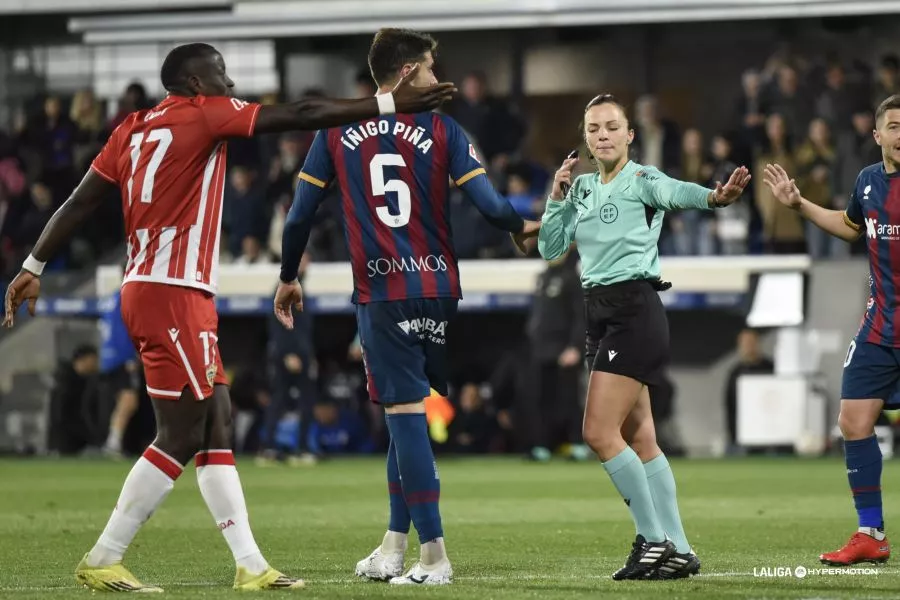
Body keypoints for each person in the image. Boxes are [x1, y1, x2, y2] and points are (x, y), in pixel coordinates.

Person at [2, 42, 455, 593]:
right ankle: (105, 554)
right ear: (195, 85)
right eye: (221, 74)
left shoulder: (131, 129)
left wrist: (33, 263)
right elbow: (304, 114)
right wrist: (387, 104)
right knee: (182, 431)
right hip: (171, 292)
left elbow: (80, 200)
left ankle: (251, 566)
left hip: (159, 289)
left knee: (217, 422)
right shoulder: (203, 114)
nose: (231, 84)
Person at [274, 28, 539, 586]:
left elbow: (298, 216)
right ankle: (394, 546)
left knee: (404, 418)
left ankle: (435, 557)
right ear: (403, 73)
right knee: (405, 415)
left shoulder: (336, 131)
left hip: (383, 292)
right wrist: (519, 229)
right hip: (439, 290)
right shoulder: (443, 128)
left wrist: (287, 275)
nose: (436, 74)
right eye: (428, 65)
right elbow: (491, 205)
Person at [537, 93, 750, 580]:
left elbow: (682, 192)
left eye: (612, 126)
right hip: (600, 313)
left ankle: (654, 541)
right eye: (594, 129)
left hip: (634, 308)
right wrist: (556, 195)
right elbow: (551, 247)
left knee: (597, 432)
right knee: (641, 437)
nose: (603, 135)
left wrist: (717, 197)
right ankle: (679, 547)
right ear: (586, 139)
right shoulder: (582, 188)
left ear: (630, 134)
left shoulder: (643, 179)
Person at [761, 94, 900, 567]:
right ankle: (870, 534)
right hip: (880, 329)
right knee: (853, 422)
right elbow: (847, 227)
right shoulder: (867, 182)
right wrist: (798, 204)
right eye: (895, 126)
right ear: (878, 135)